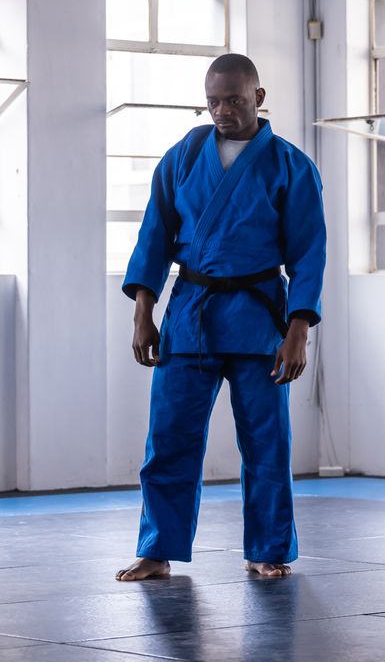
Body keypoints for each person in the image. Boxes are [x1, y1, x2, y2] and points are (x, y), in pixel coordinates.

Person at [115, 54, 326, 581]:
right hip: (191, 310)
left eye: (234, 99)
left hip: (259, 316)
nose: (223, 110)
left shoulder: (291, 165)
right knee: (168, 438)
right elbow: (154, 237)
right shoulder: (183, 157)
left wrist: (298, 330)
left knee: (266, 440)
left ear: (259, 95)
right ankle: (157, 548)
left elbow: (308, 253)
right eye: (213, 101)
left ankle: (269, 549)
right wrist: (144, 312)